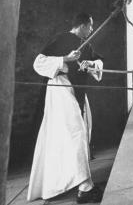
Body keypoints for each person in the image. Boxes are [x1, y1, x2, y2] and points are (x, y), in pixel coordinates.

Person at [27, 12, 104, 203]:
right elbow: (38, 63)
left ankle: (70, 183)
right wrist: (65, 60)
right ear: (83, 25)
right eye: (90, 26)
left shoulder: (87, 44)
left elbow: (97, 63)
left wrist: (90, 64)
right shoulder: (61, 39)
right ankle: (85, 188)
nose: (92, 30)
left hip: (76, 92)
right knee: (75, 134)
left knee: (80, 134)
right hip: (61, 91)